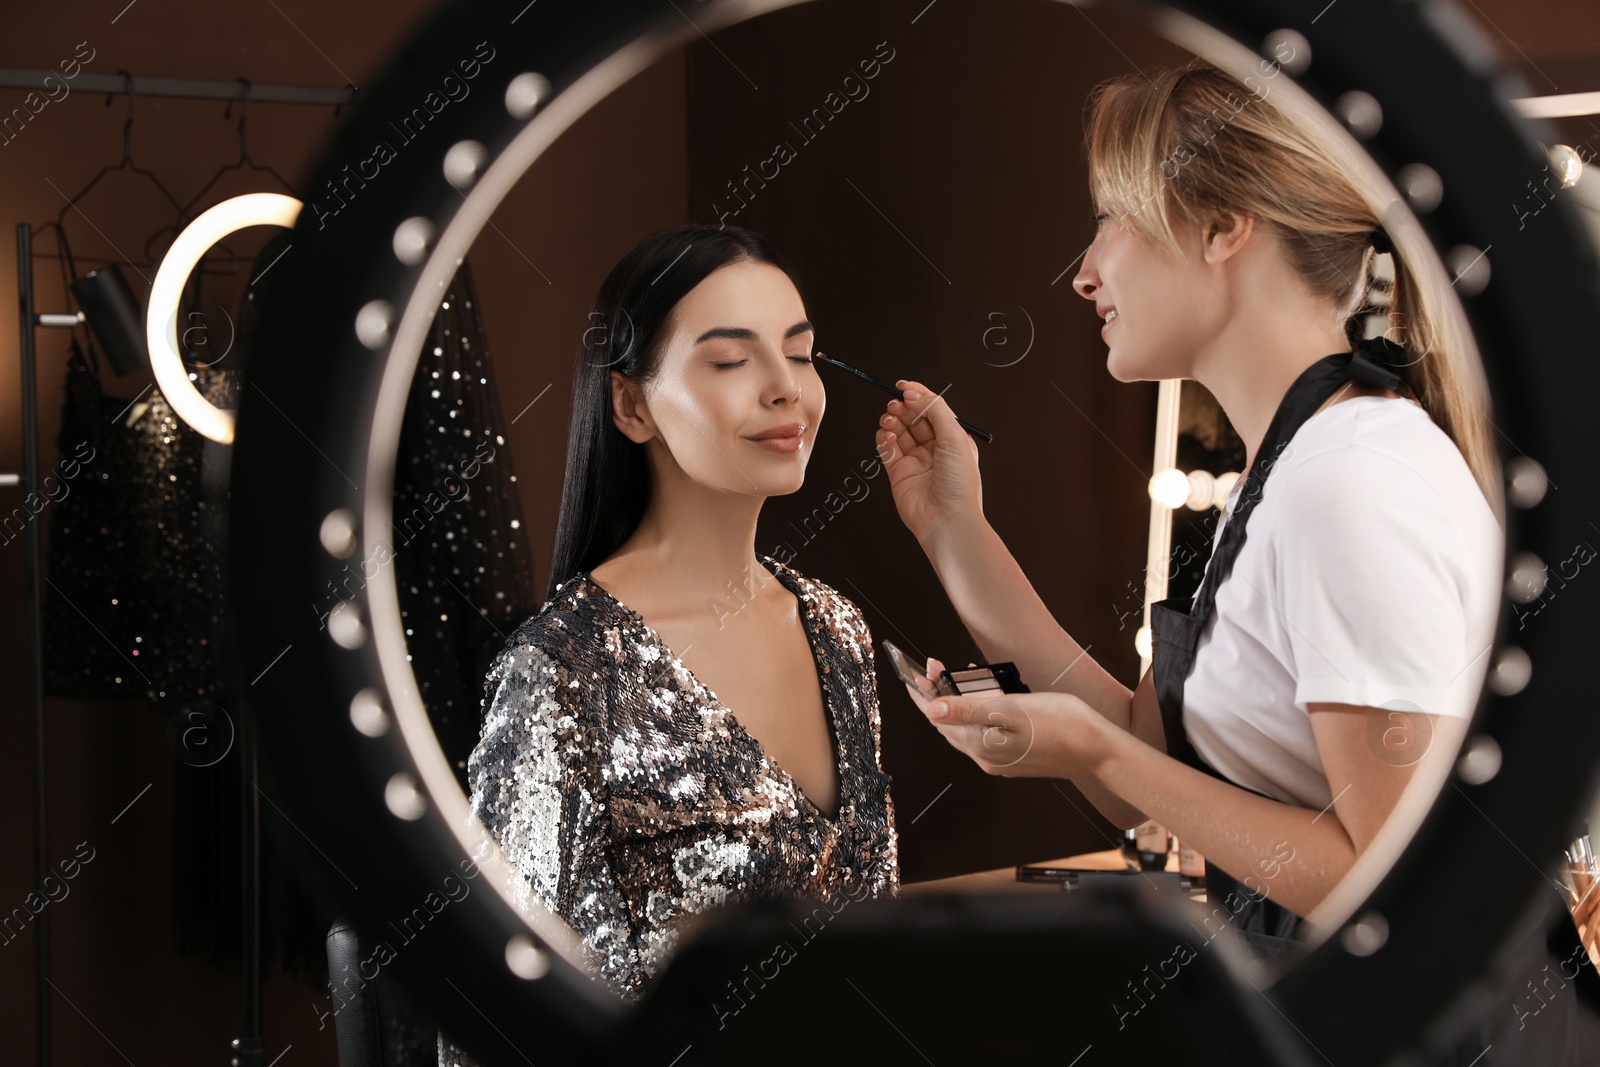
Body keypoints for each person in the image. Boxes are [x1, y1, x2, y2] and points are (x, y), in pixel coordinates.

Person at [874, 58, 1600, 1056]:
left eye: (1110, 218)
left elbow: (1393, 873)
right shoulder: (1292, 472)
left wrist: (1091, 748)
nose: (1083, 270)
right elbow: (1150, 758)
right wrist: (954, 531)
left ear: (1222, 228)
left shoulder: (1349, 483)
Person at [438, 222, 899, 1065]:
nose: (784, 390)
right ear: (631, 405)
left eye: (799, 354)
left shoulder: (836, 629)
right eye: (731, 361)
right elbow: (499, 1015)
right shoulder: (562, 670)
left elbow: (875, 946)